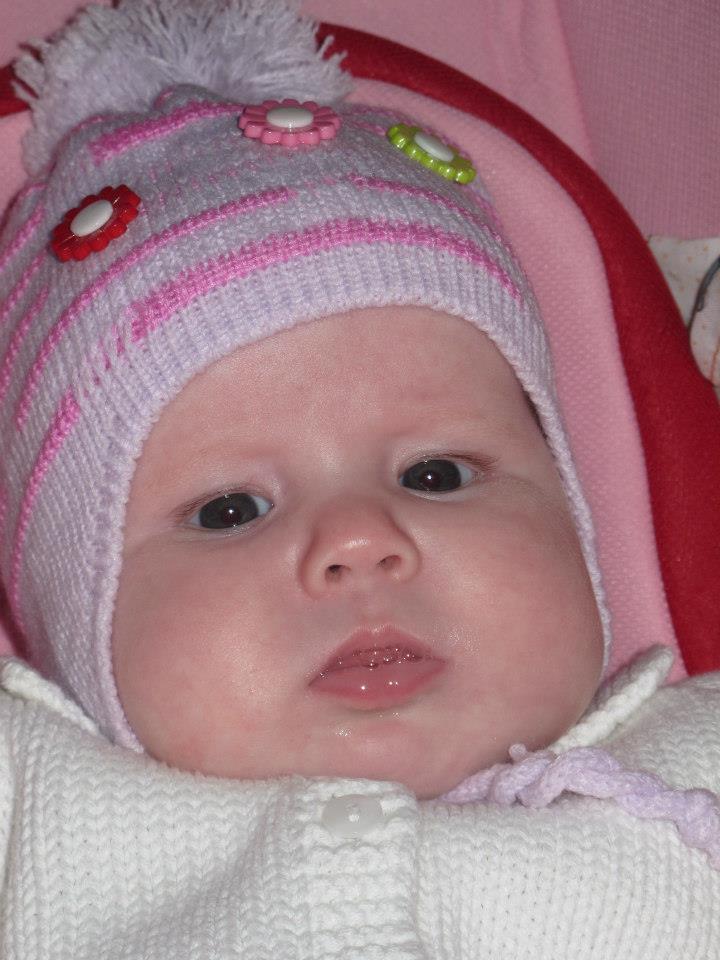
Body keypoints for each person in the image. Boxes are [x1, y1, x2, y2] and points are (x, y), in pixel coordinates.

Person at [0, 0, 718, 956]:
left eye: (435, 473)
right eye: (229, 510)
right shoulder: (30, 807)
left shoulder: (695, 765)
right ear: (76, 624)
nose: (359, 539)